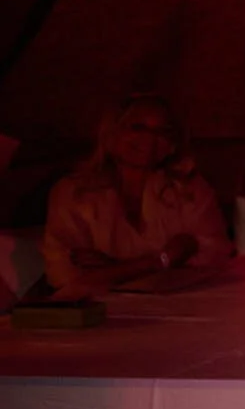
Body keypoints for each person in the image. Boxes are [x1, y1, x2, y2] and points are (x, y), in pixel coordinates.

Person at [39, 95, 233, 298]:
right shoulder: (73, 193)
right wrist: (158, 262)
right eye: (137, 127)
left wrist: (115, 269)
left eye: (162, 131)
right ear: (111, 134)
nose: (150, 138)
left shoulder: (188, 188)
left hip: (181, 304)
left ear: (172, 144)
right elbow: (63, 273)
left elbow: (216, 255)